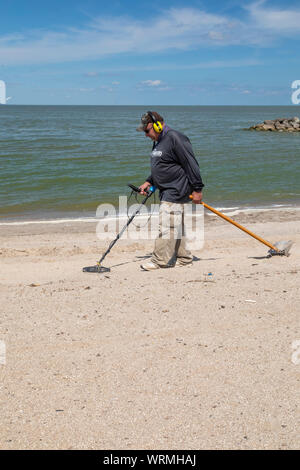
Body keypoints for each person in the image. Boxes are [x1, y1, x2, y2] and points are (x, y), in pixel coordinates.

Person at [137, 110, 204, 271]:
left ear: (158, 126)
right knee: (175, 227)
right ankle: (184, 258)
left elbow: (191, 164)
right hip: (167, 190)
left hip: (176, 189)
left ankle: (159, 260)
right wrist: (149, 181)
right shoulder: (159, 142)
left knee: (166, 226)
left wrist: (197, 189)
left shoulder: (175, 138)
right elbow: (164, 165)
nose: (145, 135)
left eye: (147, 131)